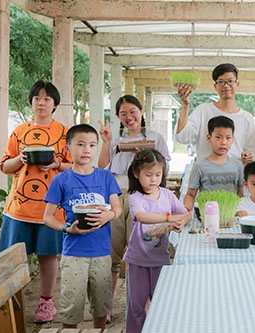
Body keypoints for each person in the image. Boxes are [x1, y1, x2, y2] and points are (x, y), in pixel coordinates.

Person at [0, 80, 72, 327]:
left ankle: (46, 302)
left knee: (48, 256)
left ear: (55, 105)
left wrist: (57, 165)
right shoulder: (18, 132)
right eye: (37, 99)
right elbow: (5, 166)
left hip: (51, 209)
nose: (42, 103)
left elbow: (75, 166)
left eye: (47, 99)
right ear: (31, 103)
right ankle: (2, 305)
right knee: (12, 258)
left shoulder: (64, 133)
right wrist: (20, 158)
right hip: (19, 208)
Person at [97, 94, 171, 321]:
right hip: (117, 196)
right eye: (123, 114)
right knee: (111, 252)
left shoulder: (155, 137)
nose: (129, 117)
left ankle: (139, 306)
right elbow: (102, 169)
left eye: (132, 111)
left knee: (138, 253)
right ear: (118, 117)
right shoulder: (115, 138)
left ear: (141, 112)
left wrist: (144, 159)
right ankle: (106, 307)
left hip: (145, 197)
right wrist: (107, 143)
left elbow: (164, 170)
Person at [43, 124, 122, 330]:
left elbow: (117, 208)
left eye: (92, 145)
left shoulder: (106, 177)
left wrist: (109, 215)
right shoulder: (61, 180)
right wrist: (66, 229)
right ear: (68, 147)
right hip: (73, 254)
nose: (86, 150)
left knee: (101, 307)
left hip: (102, 253)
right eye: (80, 144)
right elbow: (48, 217)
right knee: (71, 308)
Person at [123, 149, 191, 333]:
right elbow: (142, 216)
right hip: (138, 260)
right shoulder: (135, 197)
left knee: (161, 303)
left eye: (158, 174)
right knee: (137, 306)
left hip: (160, 259)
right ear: (136, 173)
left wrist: (182, 222)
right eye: (148, 174)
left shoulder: (167, 195)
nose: (153, 179)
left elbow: (185, 213)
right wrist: (169, 218)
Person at [175, 63, 255, 164]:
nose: (226, 85)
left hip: (236, 175)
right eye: (221, 82)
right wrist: (185, 105)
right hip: (207, 175)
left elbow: (253, 150)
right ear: (215, 86)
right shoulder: (203, 111)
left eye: (230, 81)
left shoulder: (246, 117)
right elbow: (182, 137)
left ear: (237, 84)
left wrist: (249, 156)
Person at [183, 115, 244, 212]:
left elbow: (240, 194)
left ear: (233, 139)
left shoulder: (237, 165)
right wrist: (186, 209)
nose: (223, 142)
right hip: (206, 213)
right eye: (218, 137)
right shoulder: (200, 166)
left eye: (228, 138)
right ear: (209, 137)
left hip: (230, 214)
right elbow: (190, 194)